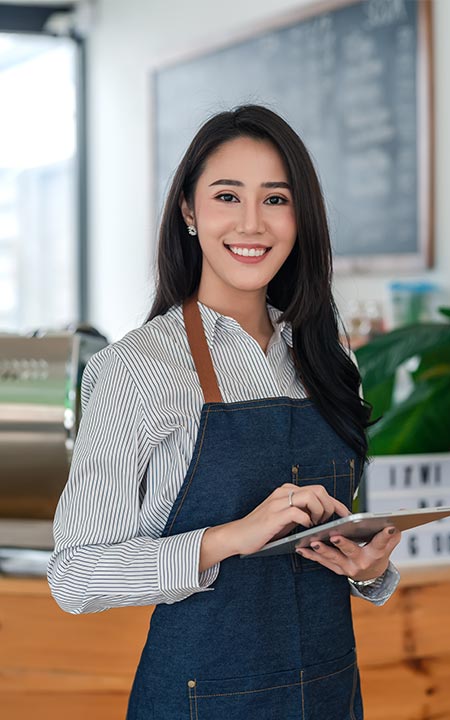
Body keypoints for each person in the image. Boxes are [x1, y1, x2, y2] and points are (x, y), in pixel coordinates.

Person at [48, 104, 401, 719]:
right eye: (226, 195)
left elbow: (328, 542)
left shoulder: (329, 364)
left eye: (275, 199)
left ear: (301, 216)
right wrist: (230, 539)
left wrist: (364, 569)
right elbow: (76, 576)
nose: (251, 223)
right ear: (189, 211)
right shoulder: (138, 368)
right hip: (198, 702)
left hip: (329, 694)